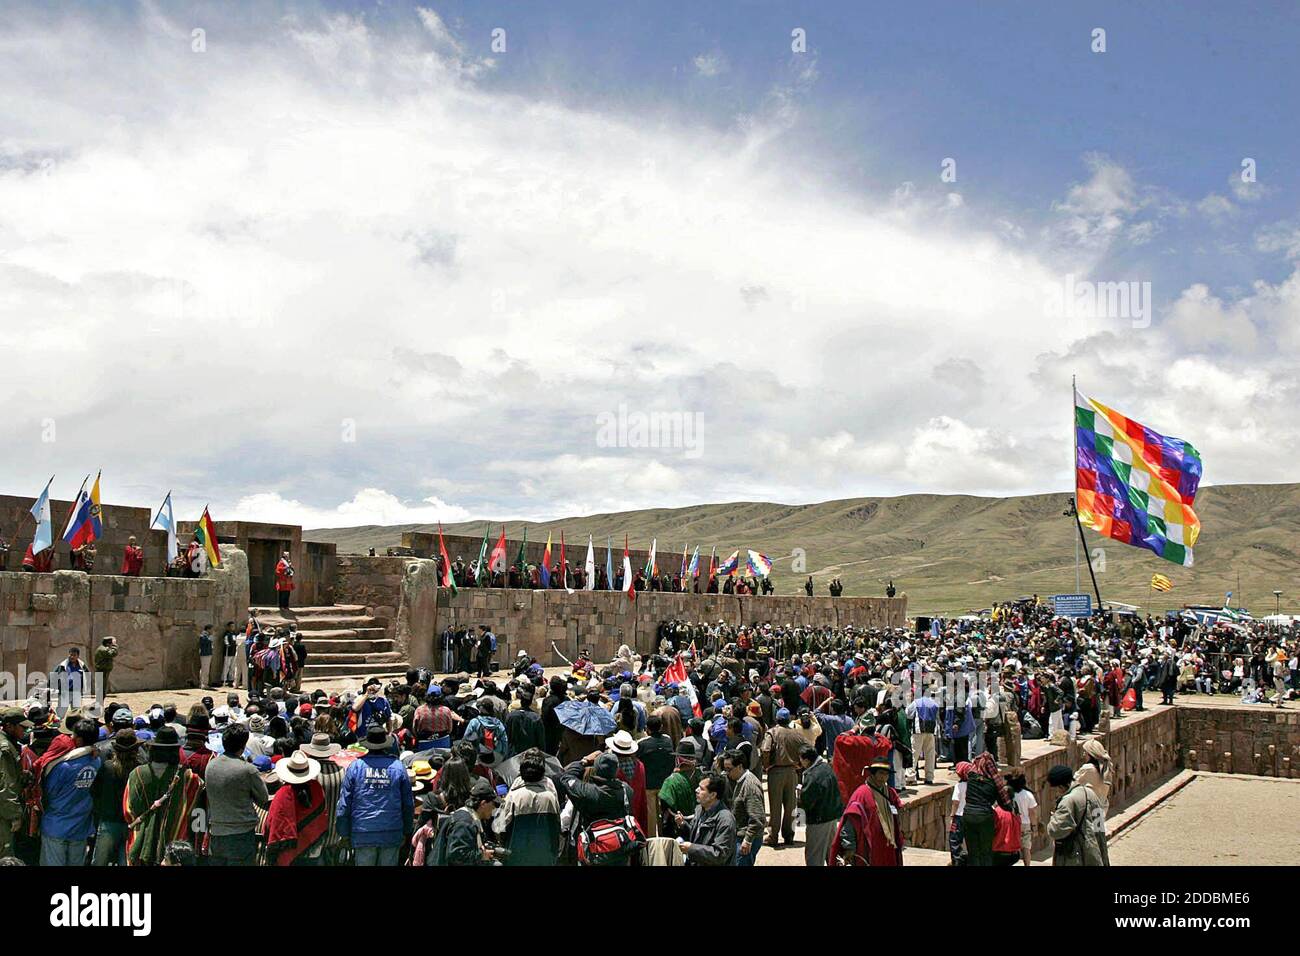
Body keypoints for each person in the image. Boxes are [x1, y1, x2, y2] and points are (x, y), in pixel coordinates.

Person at [123, 727, 204, 866]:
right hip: (173, 840)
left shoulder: (136, 774)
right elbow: (195, 810)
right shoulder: (188, 777)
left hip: (140, 841)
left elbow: (128, 810)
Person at [336, 724, 414, 866]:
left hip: (363, 833)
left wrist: (344, 833)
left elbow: (344, 804)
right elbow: (408, 804)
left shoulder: (355, 767)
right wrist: (407, 830)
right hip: (391, 832)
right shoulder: (398, 767)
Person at [205, 723, 269, 865]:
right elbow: (263, 798)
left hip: (216, 833)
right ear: (243, 745)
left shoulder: (210, 766)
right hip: (241, 836)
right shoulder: (248, 770)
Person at [40, 718, 101, 866]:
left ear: (79, 740)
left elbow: (48, 792)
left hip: (56, 826)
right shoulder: (96, 761)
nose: (71, 738)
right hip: (80, 827)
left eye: (73, 735)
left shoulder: (64, 766)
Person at [558, 751, 635, 865]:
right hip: (618, 848)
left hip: (594, 851)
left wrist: (584, 761)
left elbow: (566, 776)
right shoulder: (626, 790)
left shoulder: (586, 792)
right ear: (617, 770)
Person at [830, 756, 904, 866]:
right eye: (881, 773)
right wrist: (850, 848)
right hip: (869, 851)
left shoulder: (890, 793)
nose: (883, 778)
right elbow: (849, 824)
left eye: (886, 774)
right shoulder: (861, 795)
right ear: (872, 774)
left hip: (888, 850)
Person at [495, 747, 560, 866]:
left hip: (517, 856)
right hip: (544, 856)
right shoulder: (550, 796)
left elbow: (501, 827)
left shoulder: (514, 796)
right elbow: (556, 827)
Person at [266, 751, 328, 865]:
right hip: (314, 850)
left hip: (290, 853)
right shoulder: (316, 788)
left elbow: (274, 825)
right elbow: (322, 817)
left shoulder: (282, 794)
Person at [90, 729, 140, 865]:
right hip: (132, 823)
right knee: (126, 861)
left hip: (108, 821)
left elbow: (95, 792)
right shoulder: (139, 770)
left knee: (99, 862)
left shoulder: (107, 767)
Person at [1046, 763, 1109, 866]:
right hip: (1094, 853)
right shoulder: (1090, 793)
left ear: (1061, 786)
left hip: (1075, 857)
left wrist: (1053, 818)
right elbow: (1100, 826)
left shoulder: (1067, 801)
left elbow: (1055, 830)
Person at [960, 750, 1013, 866]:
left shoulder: (971, 777)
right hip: (984, 817)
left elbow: (961, 767)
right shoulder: (994, 782)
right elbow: (1004, 801)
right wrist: (1010, 808)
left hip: (968, 814)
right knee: (986, 852)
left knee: (973, 852)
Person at [761, 707, 802, 847]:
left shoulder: (772, 732)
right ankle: (789, 836)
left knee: (775, 806)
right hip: (792, 772)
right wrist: (799, 764)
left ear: (776, 719)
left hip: (776, 772)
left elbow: (765, 750)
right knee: (791, 806)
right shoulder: (795, 733)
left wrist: (766, 766)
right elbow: (807, 748)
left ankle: (773, 837)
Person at [434, 778, 500, 865]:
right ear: (483, 804)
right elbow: (456, 856)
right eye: (493, 804)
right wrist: (481, 856)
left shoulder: (471, 817)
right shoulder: (464, 824)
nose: (494, 808)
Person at [676, 772, 736, 865]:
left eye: (701, 789)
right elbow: (697, 836)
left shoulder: (725, 820)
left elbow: (719, 855)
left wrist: (691, 849)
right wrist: (683, 825)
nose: (696, 790)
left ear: (713, 795)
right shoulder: (700, 809)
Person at [797, 744, 843, 866]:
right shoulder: (826, 767)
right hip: (831, 817)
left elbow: (807, 801)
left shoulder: (813, 775)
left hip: (819, 820)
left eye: (800, 759)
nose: (800, 762)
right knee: (832, 854)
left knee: (814, 856)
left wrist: (800, 795)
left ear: (806, 760)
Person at [722, 749, 765, 865]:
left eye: (729, 769)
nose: (726, 773)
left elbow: (757, 818)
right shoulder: (739, 781)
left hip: (747, 838)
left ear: (740, 767)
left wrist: (747, 840)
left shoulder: (750, 786)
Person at [637, 714, 675, 838]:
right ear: (661, 727)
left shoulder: (642, 743)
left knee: (651, 818)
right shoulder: (667, 740)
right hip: (665, 783)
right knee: (664, 815)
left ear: (647, 729)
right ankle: (666, 839)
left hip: (649, 785)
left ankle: (652, 841)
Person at [0, 708, 31, 860]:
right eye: (22, 727)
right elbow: (6, 786)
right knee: (6, 855)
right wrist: (15, 816)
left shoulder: (9, 743)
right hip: (4, 812)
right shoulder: (5, 748)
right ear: (9, 726)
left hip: (5, 808)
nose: (26, 731)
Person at [198, 624, 214, 689]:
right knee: (205, 670)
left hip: (208, 654)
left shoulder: (208, 636)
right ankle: (204, 684)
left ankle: (203, 683)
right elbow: (205, 642)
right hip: (205, 654)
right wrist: (210, 639)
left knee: (205, 669)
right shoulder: (203, 635)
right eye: (211, 629)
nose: (212, 631)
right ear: (208, 629)